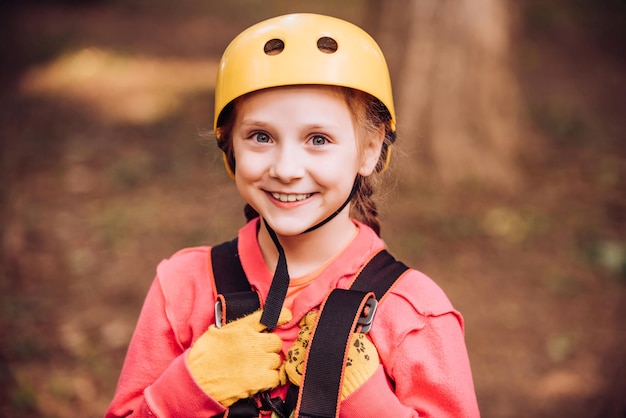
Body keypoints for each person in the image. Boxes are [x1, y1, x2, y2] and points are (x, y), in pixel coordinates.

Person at [105, 13, 480, 418]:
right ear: (229, 145)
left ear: (370, 150)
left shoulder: (413, 313)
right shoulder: (182, 289)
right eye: (261, 136)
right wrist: (193, 385)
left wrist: (366, 401)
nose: (286, 168)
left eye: (318, 139)